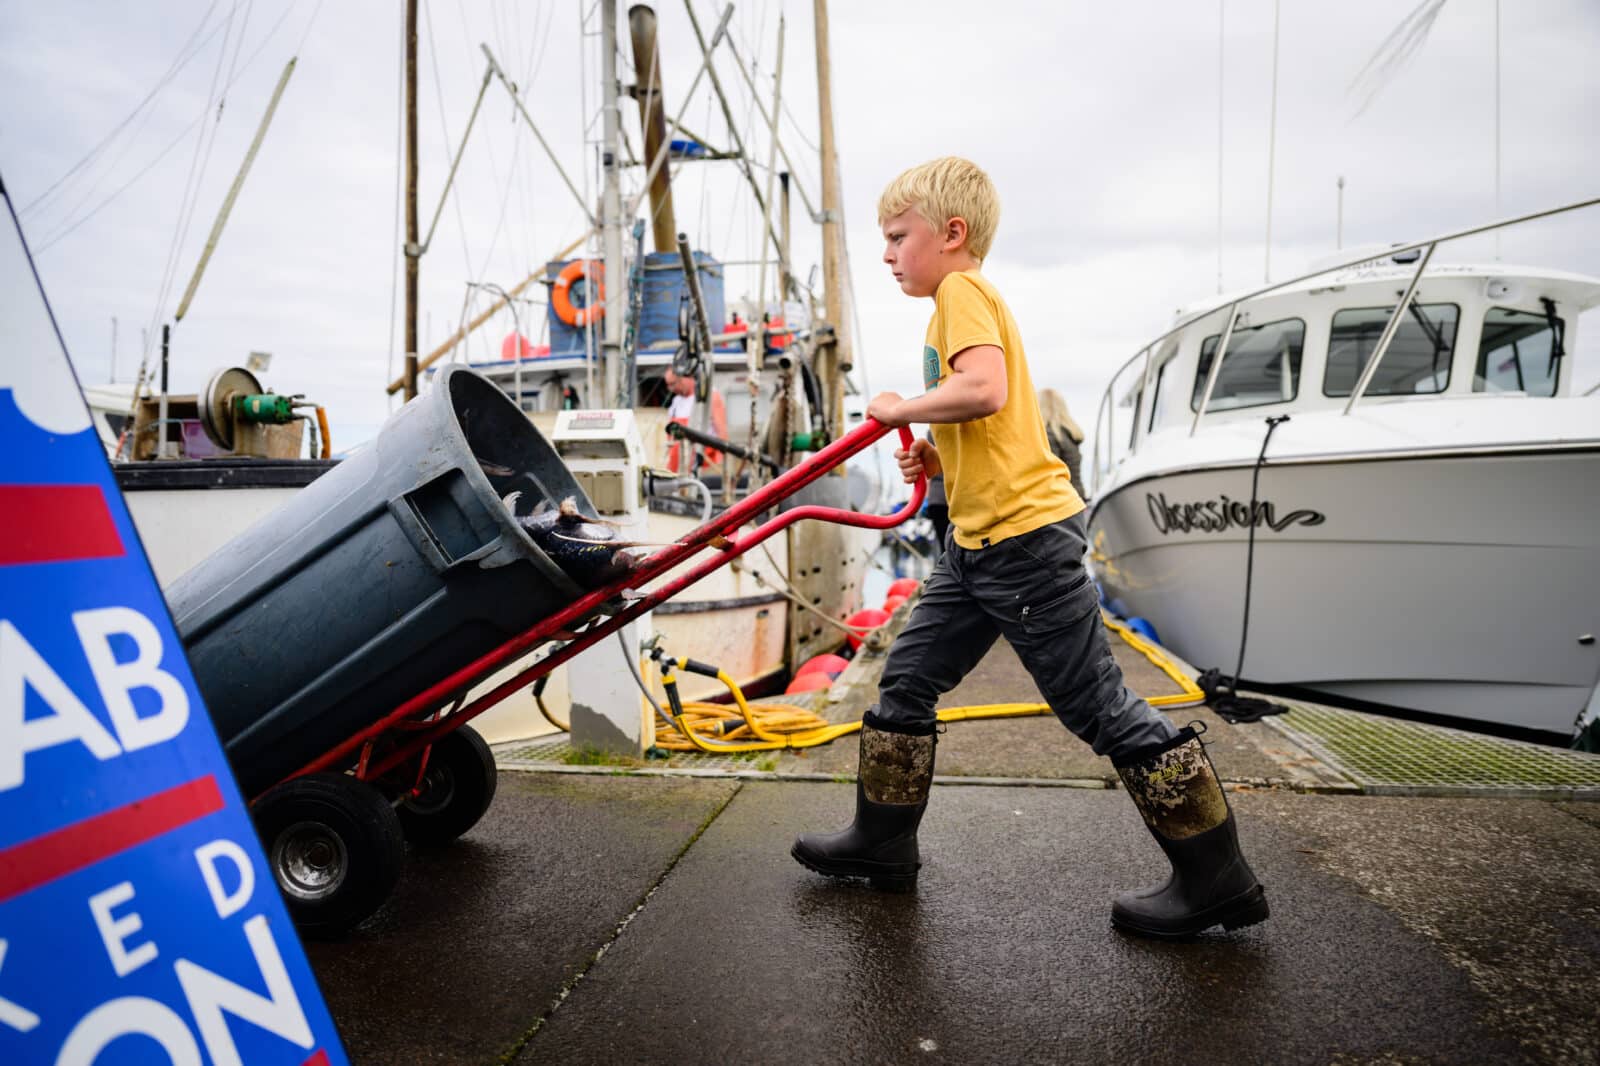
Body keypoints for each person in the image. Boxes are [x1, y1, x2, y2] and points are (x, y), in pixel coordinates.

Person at [790, 157, 1267, 938]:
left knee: (1096, 707)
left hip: (1022, 544)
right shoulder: (953, 303)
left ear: (952, 235)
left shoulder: (961, 292)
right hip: (975, 546)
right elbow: (985, 423)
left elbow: (986, 390)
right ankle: (881, 846)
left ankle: (1218, 878)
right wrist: (935, 455)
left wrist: (895, 409)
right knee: (906, 678)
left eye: (897, 237)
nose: (886, 255)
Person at [662, 367, 727, 474]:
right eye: (668, 385)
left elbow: (723, 434)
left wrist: (721, 466)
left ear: (685, 378)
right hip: (679, 466)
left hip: (704, 465)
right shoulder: (676, 402)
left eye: (673, 384)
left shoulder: (710, 396)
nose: (670, 389)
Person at [1037, 387, 1087, 496]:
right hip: (1076, 499)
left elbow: (1049, 479)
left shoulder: (1046, 437)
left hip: (1059, 503)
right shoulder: (1071, 436)